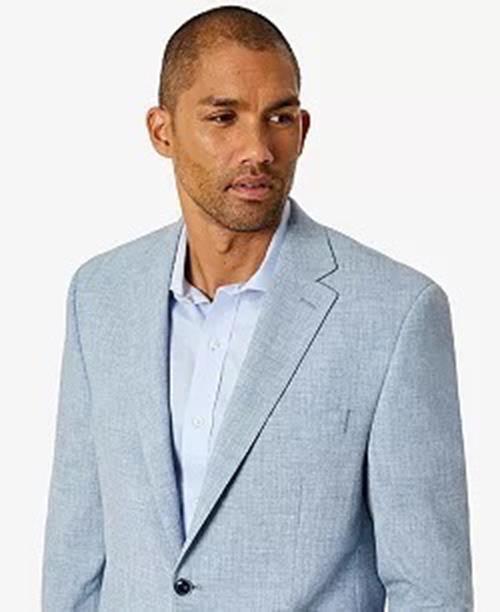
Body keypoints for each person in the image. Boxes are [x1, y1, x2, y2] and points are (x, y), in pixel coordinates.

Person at [41, 5, 474, 611]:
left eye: (279, 117)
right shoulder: (101, 295)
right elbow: (76, 562)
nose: (258, 149)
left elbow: (430, 590)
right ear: (162, 131)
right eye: (224, 117)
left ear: (303, 128)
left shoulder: (396, 313)